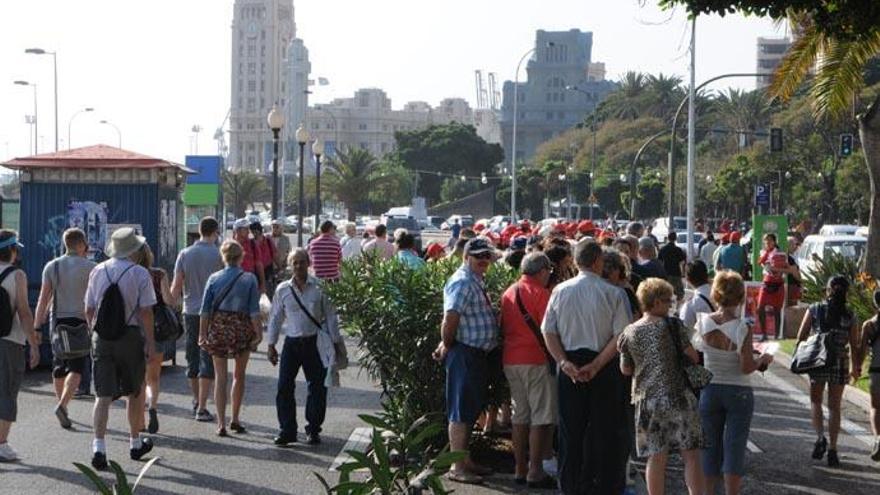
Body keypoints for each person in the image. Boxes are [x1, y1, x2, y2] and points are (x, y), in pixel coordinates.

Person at [542, 239, 631, 494]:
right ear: (597, 262)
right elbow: (620, 336)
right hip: (602, 363)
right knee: (604, 431)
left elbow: (548, 331)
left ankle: (569, 486)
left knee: (570, 432)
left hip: (570, 361)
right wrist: (596, 364)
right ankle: (603, 485)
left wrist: (563, 362)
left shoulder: (560, 290)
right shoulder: (614, 293)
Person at [617, 278, 704, 495]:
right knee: (690, 455)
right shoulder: (672, 325)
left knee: (655, 457)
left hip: (647, 401)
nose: (669, 306)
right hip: (679, 396)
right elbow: (692, 356)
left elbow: (626, 370)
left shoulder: (629, 332)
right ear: (655, 302)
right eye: (667, 301)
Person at [84, 228, 157, 470]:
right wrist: (150, 342)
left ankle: (99, 447)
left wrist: (94, 332)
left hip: (102, 337)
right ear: (133, 250)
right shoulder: (140, 273)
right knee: (134, 392)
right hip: (130, 337)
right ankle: (135, 442)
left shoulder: (97, 270)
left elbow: (89, 309)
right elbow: (146, 311)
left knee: (102, 396)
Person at [697, 271, 773, 495]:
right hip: (738, 390)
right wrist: (763, 359)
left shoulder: (704, 323)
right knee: (734, 448)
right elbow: (746, 366)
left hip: (710, 388)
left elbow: (698, 354)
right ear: (741, 297)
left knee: (709, 448)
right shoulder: (742, 327)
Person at [432, 238, 499, 484]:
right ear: (466, 256)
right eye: (478, 255)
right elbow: (450, 318)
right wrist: (447, 344)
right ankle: (457, 466)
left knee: (468, 410)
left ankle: (464, 460)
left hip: (474, 354)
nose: (484, 259)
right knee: (460, 412)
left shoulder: (474, 280)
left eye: (487, 255)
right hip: (465, 354)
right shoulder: (462, 281)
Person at [268, 248, 345, 446]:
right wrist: (271, 344)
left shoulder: (320, 287)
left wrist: (335, 344)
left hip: (314, 343)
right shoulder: (282, 289)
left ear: (308, 263)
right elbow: (275, 318)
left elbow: (330, 317)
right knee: (284, 387)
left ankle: (313, 429)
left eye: (302, 262)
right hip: (292, 344)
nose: (298, 266)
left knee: (317, 388)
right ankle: (287, 430)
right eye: (295, 262)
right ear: (290, 265)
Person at [499, 252, 556, 488]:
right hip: (535, 359)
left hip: (511, 358)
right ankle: (535, 469)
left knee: (520, 416)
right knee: (540, 417)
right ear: (541, 271)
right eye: (548, 272)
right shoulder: (542, 294)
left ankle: (519, 467)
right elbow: (550, 330)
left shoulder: (509, 292)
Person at [32, 228, 96, 429]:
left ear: (65, 243)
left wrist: (36, 325)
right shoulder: (92, 267)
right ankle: (63, 404)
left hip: (58, 322)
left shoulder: (52, 266)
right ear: (81, 244)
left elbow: (43, 299)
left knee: (59, 366)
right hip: (81, 322)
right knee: (77, 367)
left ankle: (62, 405)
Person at [795, 275, 860, 467]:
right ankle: (833, 448)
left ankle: (820, 437)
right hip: (840, 361)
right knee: (835, 406)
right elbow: (855, 345)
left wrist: (800, 352)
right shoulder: (850, 314)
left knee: (815, 400)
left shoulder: (815, 309)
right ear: (846, 292)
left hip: (818, 360)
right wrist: (856, 367)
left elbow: (801, 335)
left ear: (828, 290)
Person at [200, 240, 262, 437]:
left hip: (218, 327)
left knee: (220, 376)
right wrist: (258, 333)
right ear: (241, 256)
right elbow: (254, 311)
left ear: (223, 257)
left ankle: (220, 423)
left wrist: (202, 334)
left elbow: (205, 311)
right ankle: (235, 418)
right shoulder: (249, 279)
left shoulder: (213, 278)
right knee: (239, 375)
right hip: (241, 327)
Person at [171, 217, 223, 422]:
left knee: (192, 357)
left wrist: (171, 305)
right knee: (208, 357)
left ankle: (195, 400)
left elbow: (176, 287)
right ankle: (202, 406)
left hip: (190, 310)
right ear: (215, 232)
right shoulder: (219, 254)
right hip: (213, 312)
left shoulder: (185, 254)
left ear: (200, 231)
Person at [0, 230, 38, 462]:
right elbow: (24, 312)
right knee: (6, 391)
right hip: (9, 341)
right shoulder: (17, 276)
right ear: (12, 251)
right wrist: (33, 344)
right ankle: (2, 444)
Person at [133, 243, 174, 435]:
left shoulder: (130, 273)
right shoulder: (160, 274)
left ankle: (139, 421)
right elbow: (167, 300)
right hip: (156, 329)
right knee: (153, 377)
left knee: (137, 379)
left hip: (133, 328)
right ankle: (153, 406)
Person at [858, 289, 880, 461]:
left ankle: (878, 438)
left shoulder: (869, 325)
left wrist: (856, 367)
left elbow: (862, 351)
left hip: (876, 371)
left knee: (875, 408)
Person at [756, 233, 789, 340]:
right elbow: (762, 264)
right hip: (766, 283)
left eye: (770, 240)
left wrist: (779, 271)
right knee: (760, 308)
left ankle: (776, 336)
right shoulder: (763, 252)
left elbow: (787, 268)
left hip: (778, 284)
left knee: (777, 311)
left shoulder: (781, 253)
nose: (767, 243)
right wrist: (767, 264)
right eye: (766, 241)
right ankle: (764, 334)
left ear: (775, 242)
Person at [232, 219, 266, 295]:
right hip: (233, 282)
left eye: (248, 229)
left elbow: (259, 264)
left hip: (249, 282)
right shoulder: (230, 245)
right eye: (245, 229)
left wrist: (262, 284)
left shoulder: (252, 244)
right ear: (238, 230)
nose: (248, 231)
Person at [679, 261, 714, 330]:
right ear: (706, 274)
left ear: (687, 279)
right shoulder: (722, 294)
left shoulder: (690, 304)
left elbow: (685, 329)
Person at [658, 231, 687, 300]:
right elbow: (682, 262)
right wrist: (683, 272)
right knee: (680, 293)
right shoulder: (678, 250)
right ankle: (678, 307)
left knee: (665, 292)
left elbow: (659, 261)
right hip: (676, 273)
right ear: (676, 238)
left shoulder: (663, 249)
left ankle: (667, 305)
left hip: (666, 273)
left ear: (668, 238)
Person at [251, 221, 277, 296]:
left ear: (258, 231)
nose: (253, 233)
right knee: (256, 295)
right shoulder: (251, 243)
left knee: (270, 294)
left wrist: (280, 267)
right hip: (256, 272)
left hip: (268, 270)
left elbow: (274, 254)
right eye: (252, 232)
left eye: (254, 231)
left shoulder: (268, 241)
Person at [785, 236, 803, 307]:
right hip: (792, 286)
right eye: (794, 244)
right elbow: (795, 273)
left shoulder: (788, 257)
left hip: (790, 285)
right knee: (792, 306)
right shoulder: (789, 259)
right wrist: (802, 282)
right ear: (789, 245)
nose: (796, 247)